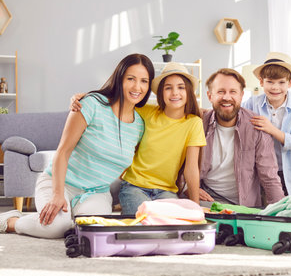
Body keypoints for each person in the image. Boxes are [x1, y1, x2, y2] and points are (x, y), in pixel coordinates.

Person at [0, 53, 154, 238]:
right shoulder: (91, 104)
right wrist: (57, 194)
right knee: (57, 228)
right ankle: (11, 221)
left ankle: (65, 219)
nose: (137, 87)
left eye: (144, 81)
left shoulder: (140, 125)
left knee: (92, 231)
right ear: (120, 78)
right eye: (131, 79)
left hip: (96, 193)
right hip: (59, 183)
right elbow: (63, 152)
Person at [70, 62, 206, 215]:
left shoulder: (194, 123)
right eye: (168, 88)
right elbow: (118, 101)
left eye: (181, 87)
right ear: (161, 92)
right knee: (143, 220)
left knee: (168, 220)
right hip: (134, 186)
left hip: (166, 191)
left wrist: (196, 207)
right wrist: (85, 97)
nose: (175, 93)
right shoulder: (147, 112)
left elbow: (191, 168)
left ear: (188, 91)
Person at [199, 68, 285, 208]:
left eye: (233, 92)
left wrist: (281, 212)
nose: (227, 97)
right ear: (210, 96)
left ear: (241, 96)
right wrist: (189, 188)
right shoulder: (199, 124)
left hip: (245, 204)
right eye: (220, 92)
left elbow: (269, 176)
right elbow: (183, 166)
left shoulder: (257, 127)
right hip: (208, 200)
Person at [242, 52, 291, 197]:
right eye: (270, 82)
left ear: (289, 83)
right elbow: (233, 116)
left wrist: (272, 129)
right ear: (261, 82)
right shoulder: (251, 103)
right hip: (261, 173)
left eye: (281, 82)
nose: (275, 88)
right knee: (263, 214)